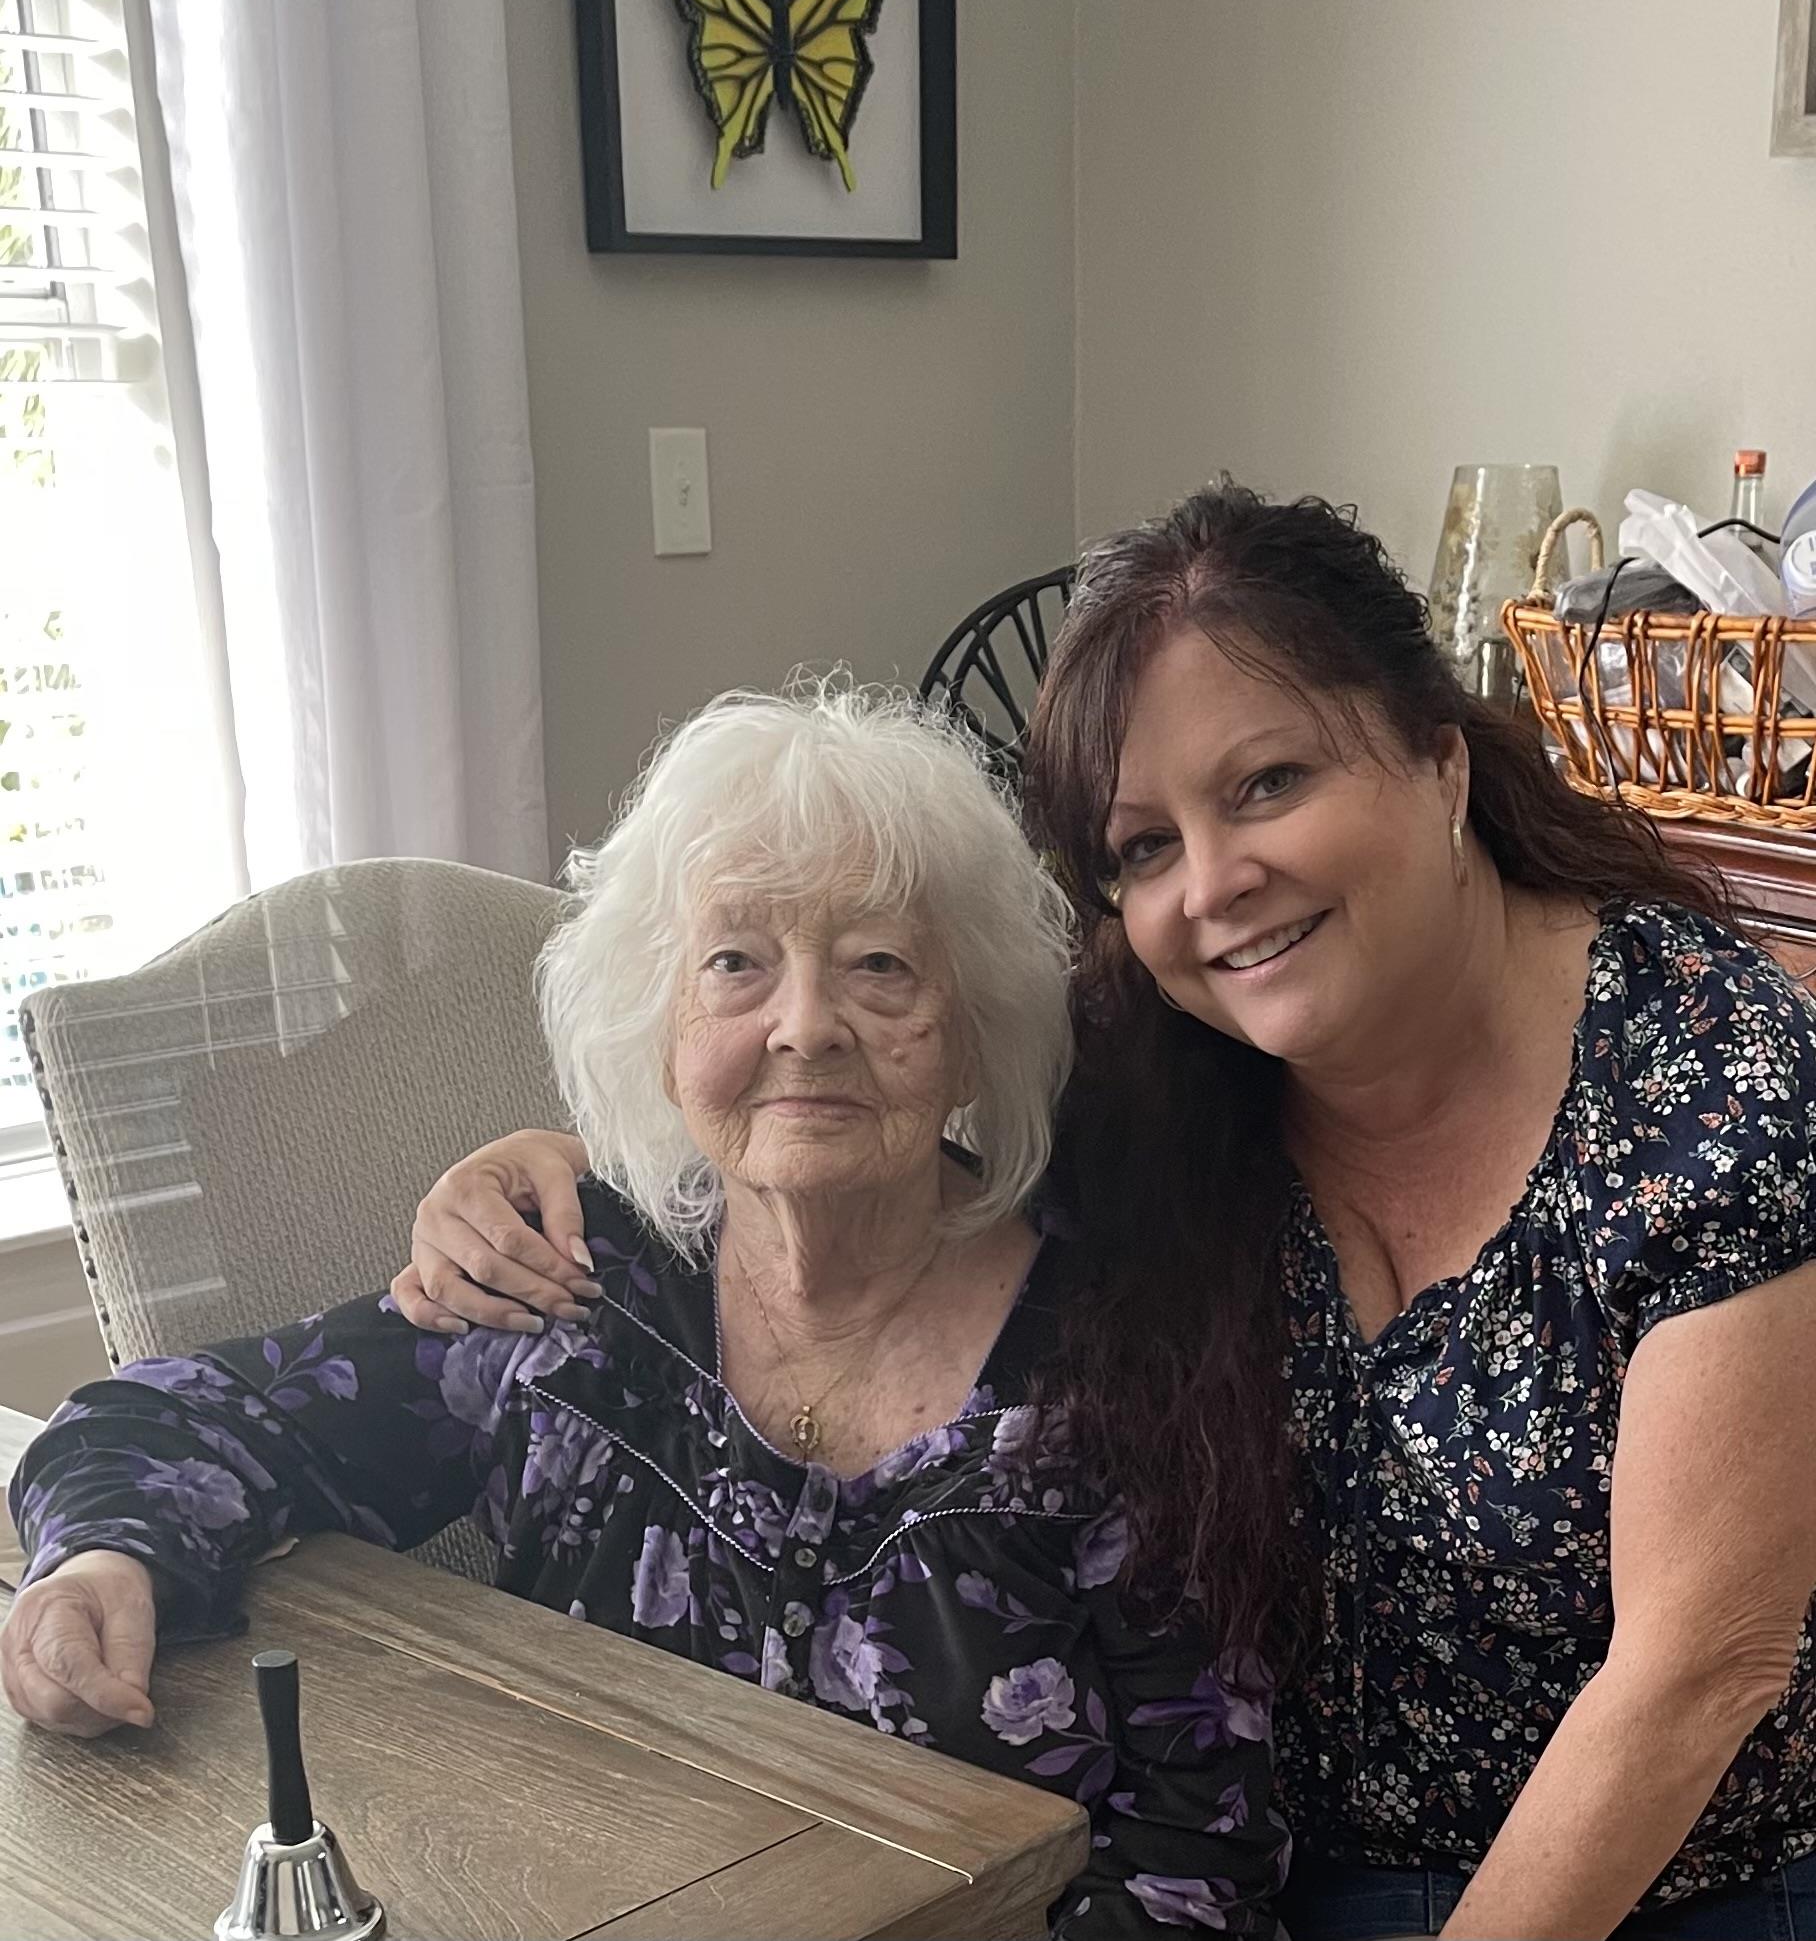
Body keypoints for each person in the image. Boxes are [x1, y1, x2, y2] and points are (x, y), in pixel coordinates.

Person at [387, 486, 1816, 1941]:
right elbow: (857, 1099)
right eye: (1141, 847)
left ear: (1438, 760)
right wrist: (558, 1153)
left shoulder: (1704, 1075)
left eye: (1268, 784)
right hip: (1264, 1874)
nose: (1213, 884)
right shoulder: (1150, 1069)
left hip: (1675, 1882)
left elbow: (1704, 1665)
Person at [3, 684, 1290, 1940]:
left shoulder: (1125, 1358)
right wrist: (104, 1560)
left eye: (881, 966)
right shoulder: (571, 1281)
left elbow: (1205, 1862)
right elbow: (180, 1421)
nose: (806, 1027)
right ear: (660, 1026)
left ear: (971, 1030)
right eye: (735, 962)